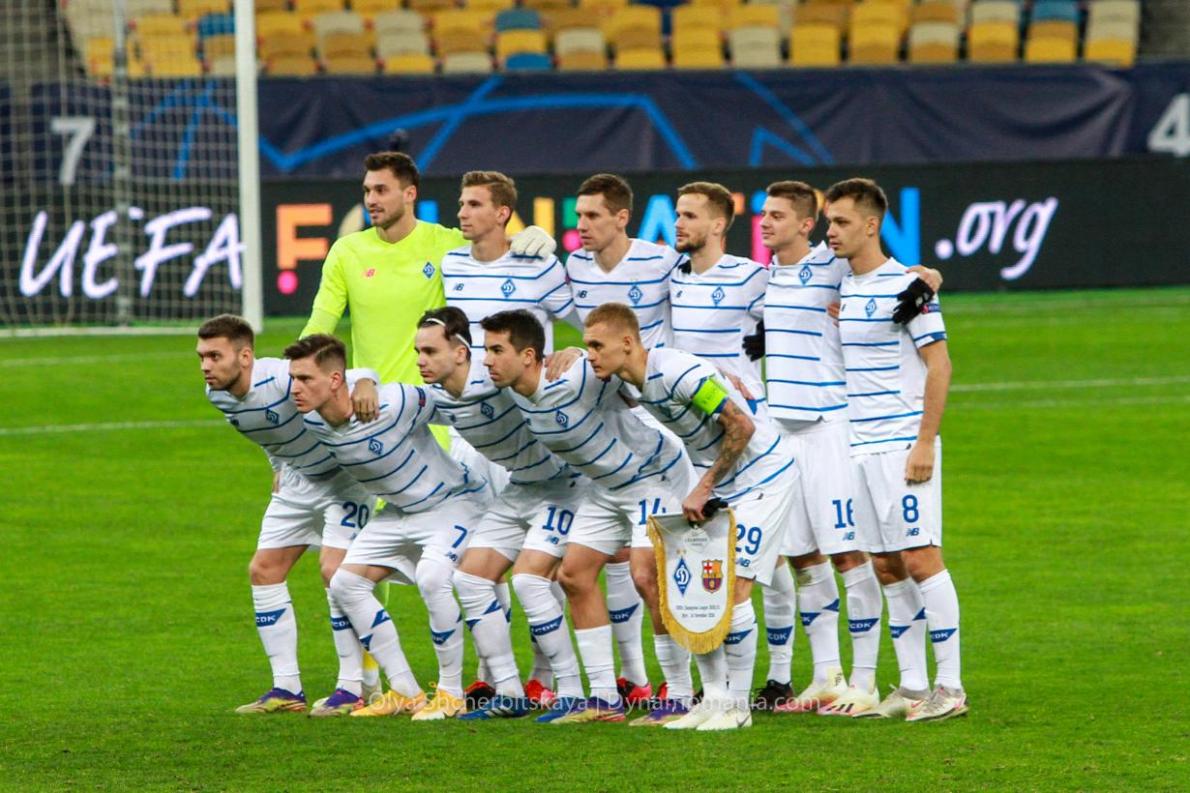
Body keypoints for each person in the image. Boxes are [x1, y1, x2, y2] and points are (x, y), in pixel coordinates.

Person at [558, 173, 800, 707]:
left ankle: (767, 683)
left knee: (771, 565)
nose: (678, 224)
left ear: (718, 223)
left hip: (749, 437)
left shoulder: (750, 276)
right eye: (677, 214)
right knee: (702, 573)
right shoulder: (674, 275)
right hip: (699, 446)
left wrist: (921, 277)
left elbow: (803, 300)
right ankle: (702, 694)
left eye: (689, 215)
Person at [755, 181, 942, 716]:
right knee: (802, 556)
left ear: (806, 224)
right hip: (783, 432)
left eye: (776, 215)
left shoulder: (831, 264)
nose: (765, 223)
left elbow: (894, 274)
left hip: (832, 428)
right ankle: (826, 675)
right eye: (763, 214)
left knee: (849, 553)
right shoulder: (760, 277)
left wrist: (929, 277)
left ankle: (864, 679)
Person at [583, 303, 799, 731]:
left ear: (627, 343)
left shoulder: (677, 374)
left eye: (596, 346)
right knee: (700, 591)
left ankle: (737, 707)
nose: (590, 355)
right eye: (587, 346)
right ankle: (713, 698)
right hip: (723, 484)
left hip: (764, 479)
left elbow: (741, 426)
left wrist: (703, 485)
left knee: (733, 589)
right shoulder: (630, 380)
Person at [480, 309, 696, 725]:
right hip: (605, 489)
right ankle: (603, 698)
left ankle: (680, 695)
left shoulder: (576, 375)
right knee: (574, 575)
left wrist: (581, 353)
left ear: (528, 356)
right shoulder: (511, 390)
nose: (487, 361)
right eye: (485, 350)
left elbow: (639, 365)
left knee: (646, 577)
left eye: (496, 350)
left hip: (653, 477)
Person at [284, 334, 490, 721]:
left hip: (453, 502)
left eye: (305, 379)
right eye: (293, 378)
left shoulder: (393, 403)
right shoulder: (311, 417)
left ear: (334, 380)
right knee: (345, 583)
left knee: (433, 578)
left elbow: (452, 402)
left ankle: (451, 693)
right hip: (400, 512)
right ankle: (405, 691)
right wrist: (365, 377)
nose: (295, 388)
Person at [826, 177, 967, 722]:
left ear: (871, 225)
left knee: (921, 557)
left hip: (902, 444)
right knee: (886, 565)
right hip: (860, 446)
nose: (832, 231)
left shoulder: (909, 287)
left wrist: (925, 441)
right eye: (829, 221)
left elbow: (940, 365)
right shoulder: (845, 286)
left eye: (842, 222)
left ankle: (950, 687)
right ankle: (911, 686)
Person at [197, 314, 377, 717]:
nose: (206, 366)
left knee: (335, 573)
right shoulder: (218, 395)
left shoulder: (280, 377)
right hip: (297, 481)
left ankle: (352, 688)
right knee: (264, 571)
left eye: (215, 356)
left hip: (345, 479)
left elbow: (350, 374)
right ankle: (287, 688)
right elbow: (266, 431)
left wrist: (367, 382)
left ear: (245, 357)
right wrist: (278, 466)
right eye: (201, 357)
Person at [412, 307, 588, 720]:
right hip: (521, 487)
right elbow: (387, 397)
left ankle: (571, 691)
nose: (420, 360)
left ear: (460, 353)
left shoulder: (497, 377)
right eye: (417, 351)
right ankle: (508, 690)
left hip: (565, 487)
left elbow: (559, 373)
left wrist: (577, 353)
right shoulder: (436, 396)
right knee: (470, 578)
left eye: (429, 351)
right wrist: (365, 379)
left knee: (529, 580)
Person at [301, 151, 556, 418]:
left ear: (409, 194)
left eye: (381, 190)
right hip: (378, 408)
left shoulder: (447, 244)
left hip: (438, 410)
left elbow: (495, 243)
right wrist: (295, 369)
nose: (371, 200)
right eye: (367, 191)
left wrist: (531, 234)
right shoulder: (346, 251)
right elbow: (320, 325)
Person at [559, 172, 686, 703]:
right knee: (584, 570)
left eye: (592, 215)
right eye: (578, 216)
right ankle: (619, 688)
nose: (581, 225)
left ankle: (680, 686)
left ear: (622, 217)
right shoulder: (573, 267)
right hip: (607, 428)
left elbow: (714, 288)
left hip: (660, 423)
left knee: (649, 571)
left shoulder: (662, 261)